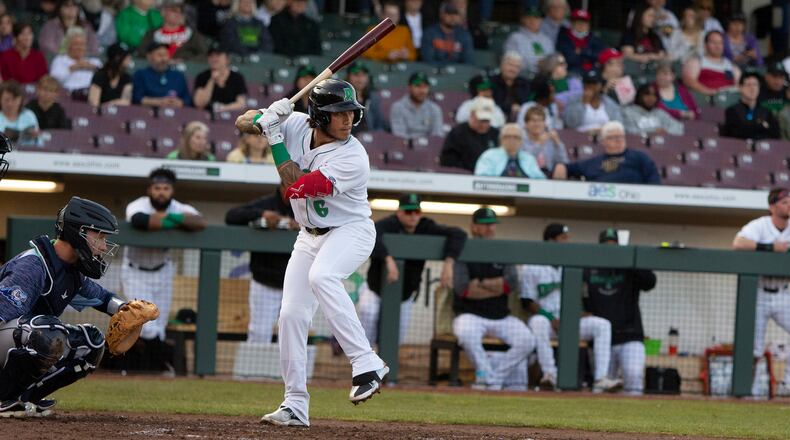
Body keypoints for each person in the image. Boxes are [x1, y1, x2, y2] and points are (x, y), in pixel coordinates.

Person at [234, 79, 391, 427]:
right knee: (289, 315)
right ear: (319, 116)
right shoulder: (295, 124)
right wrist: (266, 115)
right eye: (338, 113)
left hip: (350, 230)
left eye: (351, 112)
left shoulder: (353, 157)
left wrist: (273, 136)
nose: (347, 119)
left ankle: (367, 362)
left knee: (323, 276)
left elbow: (295, 188)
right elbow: (241, 122)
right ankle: (295, 404)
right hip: (309, 236)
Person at [0, 197, 129, 417]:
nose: (104, 246)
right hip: (9, 336)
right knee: (49, 332)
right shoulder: (33, 266)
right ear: (77, 233)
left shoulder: (70, 270)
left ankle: (24, 397)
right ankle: (3, 397)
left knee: (92, 342)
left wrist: (129, 309)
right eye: (100, 237)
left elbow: (103, 299)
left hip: (20, 340)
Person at [521, 223, 622, 393]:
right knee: (538, 322)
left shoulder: (573, 262)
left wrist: (577, 314)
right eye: (563, 238)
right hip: (547, 322)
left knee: (602, 325)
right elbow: (526, 301)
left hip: (570, 321)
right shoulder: (532, 265)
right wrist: (550, 318)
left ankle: (600, 378)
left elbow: (581, 297)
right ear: (551, 241)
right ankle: (550, 374)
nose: (567, 242)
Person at [122, 168, 206, 370]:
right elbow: (140, 220)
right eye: (157, 188)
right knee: (145, 327)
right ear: (150, 189)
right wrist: (177, 221)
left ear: (172, 190)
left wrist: (168, 219)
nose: (161, 192)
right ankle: (145, 366)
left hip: (163, 271)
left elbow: (200, 221)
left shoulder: (177, 206)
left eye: (166, 188)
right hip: (135, 271)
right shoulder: (137, 204)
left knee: (159, 326)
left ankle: (152, 371)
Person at [359, 193, 466, 345]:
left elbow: (458, 234)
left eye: (417, 212)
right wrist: (388, 259)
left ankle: (384, 364)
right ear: (399, 212)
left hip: (404, 294)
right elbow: (371, 232)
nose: (413, 216)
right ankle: (365, 360)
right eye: (409, 212)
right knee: (369, 313)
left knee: (397, 339)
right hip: (375, 288)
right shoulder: (390, 223)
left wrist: (449, 263)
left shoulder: (425, 226)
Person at [452, 208, 535, 391]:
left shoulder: (502, 249)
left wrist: (480, 284)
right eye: (485, 224)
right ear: (474, 227)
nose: (490, 228)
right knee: (466, 334)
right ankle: (485, 373)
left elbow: (511, 283)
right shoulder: (464, 249)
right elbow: (463, 289)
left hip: (501, 316)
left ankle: (492, 378)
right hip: (470, 315)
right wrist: (496, 286)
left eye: (492, 224)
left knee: (527, 340)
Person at [583, 227, 657, 394]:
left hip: (630, 336)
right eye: (606, 245)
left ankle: (635, 418)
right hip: (602, 342)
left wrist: (630, 260)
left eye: (613, 244)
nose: (610, 248)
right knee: (600, 386)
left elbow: (650, 282)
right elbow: (580, 298)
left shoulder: (629, 267)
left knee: (634, 375)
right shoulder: (589, 268)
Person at [733, 187, 790, 397]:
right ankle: (748, 393)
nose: (789, 205)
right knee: (753, 349)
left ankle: (788, 385)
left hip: (784, 293)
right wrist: (769, 248)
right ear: (772, 206)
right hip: (759, 293)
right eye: (784, 202)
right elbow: (738, 243)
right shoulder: (760, 225)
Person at [225, 185, 297, 344]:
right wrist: (263, 215)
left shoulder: (308, 204)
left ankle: (289, 370)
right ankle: (256, 371)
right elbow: (231, 216)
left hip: (297, 284)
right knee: (259, 333)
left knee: (293, 336)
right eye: (290, 184)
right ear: (282, 185)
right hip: (266, 280)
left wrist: (300, 225)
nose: (294, 189)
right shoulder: (266, 204)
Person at [553, 121, 661, 184]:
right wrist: (561, 167)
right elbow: (568, 168)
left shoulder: (639, 157)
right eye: (613, 137)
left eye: (621, 136)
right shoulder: (594, 162)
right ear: (603, 141)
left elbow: (654, 181)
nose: (618, 140)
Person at [440, 96, 499, 171]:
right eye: (481, 120)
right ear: (472, 115)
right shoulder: (458, 134)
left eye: (487, 120)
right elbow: (448, 160)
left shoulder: (496, 134)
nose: (484, 124)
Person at [137, 0, 208, 61]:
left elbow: (205, 54)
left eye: (181, 11)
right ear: (163, 12)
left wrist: (186, 61)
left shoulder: (193, 35)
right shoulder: (151, 34)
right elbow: (141, 53)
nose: (178, 14)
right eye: (174, 10)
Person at [720, 72, 780, 141]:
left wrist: (749, 127)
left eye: (755, 85)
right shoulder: (732, 111)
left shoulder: (767, 112)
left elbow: (775, 134)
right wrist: (761, 126)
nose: (752, 88)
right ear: (740, 87)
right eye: (748, 85)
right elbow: (734, 134)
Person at [132, 42, 193, 108]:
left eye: (166, 55)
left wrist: (179, 102)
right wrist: (158, 102)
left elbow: (187, 100)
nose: (163, 59)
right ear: (149, 57)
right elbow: (136, 98)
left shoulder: (178, 76)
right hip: (147, 113)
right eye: (160, 55)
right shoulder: (141, 74)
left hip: (176, 113)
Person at [474, 122, 544, 178]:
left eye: (516, 137)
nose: (511, 140)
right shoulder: (489, 156)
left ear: (521, 141)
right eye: (507, 136)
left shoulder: (529, 158)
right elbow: (481, 178)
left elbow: (541, 180)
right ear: (501, 139)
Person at [682, 30, 740, 97]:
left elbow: (738, 86)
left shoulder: (732, 66)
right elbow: (689, 81)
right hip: (705, 100)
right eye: (714, 42)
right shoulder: (696, 61)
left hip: (729, 100)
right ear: (705, 45)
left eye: (720, 43)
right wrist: (709, 92)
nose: (717, 46)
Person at [563, 69, 623, 134]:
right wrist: (583, 104)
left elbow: (618, 125)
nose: (590, 86)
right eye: (588, 83)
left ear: (601, 85)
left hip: (604, 138)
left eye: (594, 83)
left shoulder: (609, 103)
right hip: (579, 138)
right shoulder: (574, 101)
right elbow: (570, 124)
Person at [193, 43, 247, 112]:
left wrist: (222, 108)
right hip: (206, 116)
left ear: (227, 59)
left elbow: (241, 104)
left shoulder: (237, 78)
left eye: (218, 55)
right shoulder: (202, 76)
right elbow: (199, 103)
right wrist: (211, 80)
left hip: (231, 117)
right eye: (211, 55)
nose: (214, 58)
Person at [390, 72, 444, 140]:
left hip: (430, 148)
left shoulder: (435, 109)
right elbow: (399, 136)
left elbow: (437, 136)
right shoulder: (398, 107)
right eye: (418, 86)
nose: (422, 90)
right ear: (409, 87)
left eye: (425, 87)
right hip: (405, 147)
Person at [503, 6, 554, 77]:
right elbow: (510, 61)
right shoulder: (515, 37)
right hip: (523, 76)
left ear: (541, 21)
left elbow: (552, 59)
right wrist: (536, 63)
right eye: (529, 17)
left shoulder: (547, 40)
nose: (533, 20)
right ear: (523, 19)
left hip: (546, 76)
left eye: (536, 18)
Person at [48, 28, 102, 96]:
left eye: (82, 44)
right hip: (68, 95)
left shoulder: (95, 62)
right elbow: (54, 81)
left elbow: (106, 78)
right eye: (76, 44)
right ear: (68, 45)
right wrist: (73, 68)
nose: (80, 47)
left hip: (91, 95)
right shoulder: (60, 60)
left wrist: (95, 68)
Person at [420, 1, 473, 65]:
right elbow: (427, 60)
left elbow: (468, 61)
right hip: (434, 72)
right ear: (441, 14)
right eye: (449, 13)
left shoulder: (464, 35)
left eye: (456, 14)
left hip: (458, 73)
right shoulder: (430, 33)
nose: (453, 17)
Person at [555, 9, 606, 76]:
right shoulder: (563, 37)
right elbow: (570, 59)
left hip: (592, 71)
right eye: (578, 22)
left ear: (588, 25)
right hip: (571, 71)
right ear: (572, 23)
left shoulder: (593, 38)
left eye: (584, 22)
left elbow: (601, 56)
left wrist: (582, 51)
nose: (581, 25)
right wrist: (589, 56)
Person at [520, 106, 568, 175]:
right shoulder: (521, 140)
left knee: (560, 168)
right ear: (526, 124)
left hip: (548, 174)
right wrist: (539, 144)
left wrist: (557, 143)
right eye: (533, 121)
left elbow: (564, 161)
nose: (537, 124)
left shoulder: (550, 140)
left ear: (544, 123)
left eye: (540, 121)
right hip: (527, 174)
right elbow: (526, 162)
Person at [345, 62, 386, 133]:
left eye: (363, 75)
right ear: (348, 76)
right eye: (356, 75)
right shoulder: (343, 96)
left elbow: (379, 124)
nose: (360, 78)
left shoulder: (373, 98)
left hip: (371, 140)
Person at [88, 42, 133, 107]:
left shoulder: (126, 78)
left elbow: (126, 102)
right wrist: (111, 105)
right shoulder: (100, 76)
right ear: (117, 58)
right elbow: (93, 103)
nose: (129, 58)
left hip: (120, 115)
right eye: (127, 56)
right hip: (99, 115)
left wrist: (111, 104)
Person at [490, 51, 530, 122]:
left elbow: (527, 103)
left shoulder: (525, 84)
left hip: (521, 120)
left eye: (517, 67)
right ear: (502, 65)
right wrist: (510, 108)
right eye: (510, 65)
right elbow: (491, 103)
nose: (513, 69)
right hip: (494, 117)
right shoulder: (491, 82)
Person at [0, 80, 40, 146]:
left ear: (21, 100)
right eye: (7, 99)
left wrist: (36, 136)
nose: (10, 103)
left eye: (14, 99)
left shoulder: (29, 115)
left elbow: (39, 144)